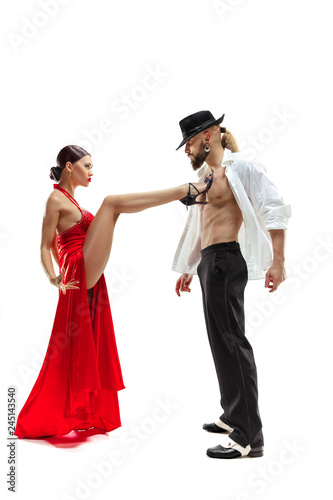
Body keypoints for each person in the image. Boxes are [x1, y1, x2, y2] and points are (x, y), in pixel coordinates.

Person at [14, 145, 212, 439]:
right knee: (112, 203)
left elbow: (60, 242)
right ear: (69, 167)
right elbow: (45, 245)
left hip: (81, 267)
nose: (92, 172)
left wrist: (63, 272)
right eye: (87, 166)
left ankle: (185, 193)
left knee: (113, 207)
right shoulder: (55, 199)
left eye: (92, 166)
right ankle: (186, 190)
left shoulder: (71, 200)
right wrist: (56, 278)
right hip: (78, 267)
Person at [172, 110, 291, 459]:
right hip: (211, 262)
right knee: (219, 342)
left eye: (189, 142)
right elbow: (202, 227)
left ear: (207, 136)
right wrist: (191, 267)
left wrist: (278, 262)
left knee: (232, 343)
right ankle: (232, 415)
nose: (186, 150)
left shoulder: (242, 169)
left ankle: (247, 437)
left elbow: (275, 210)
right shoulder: (207, 177)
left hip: (226, 261)